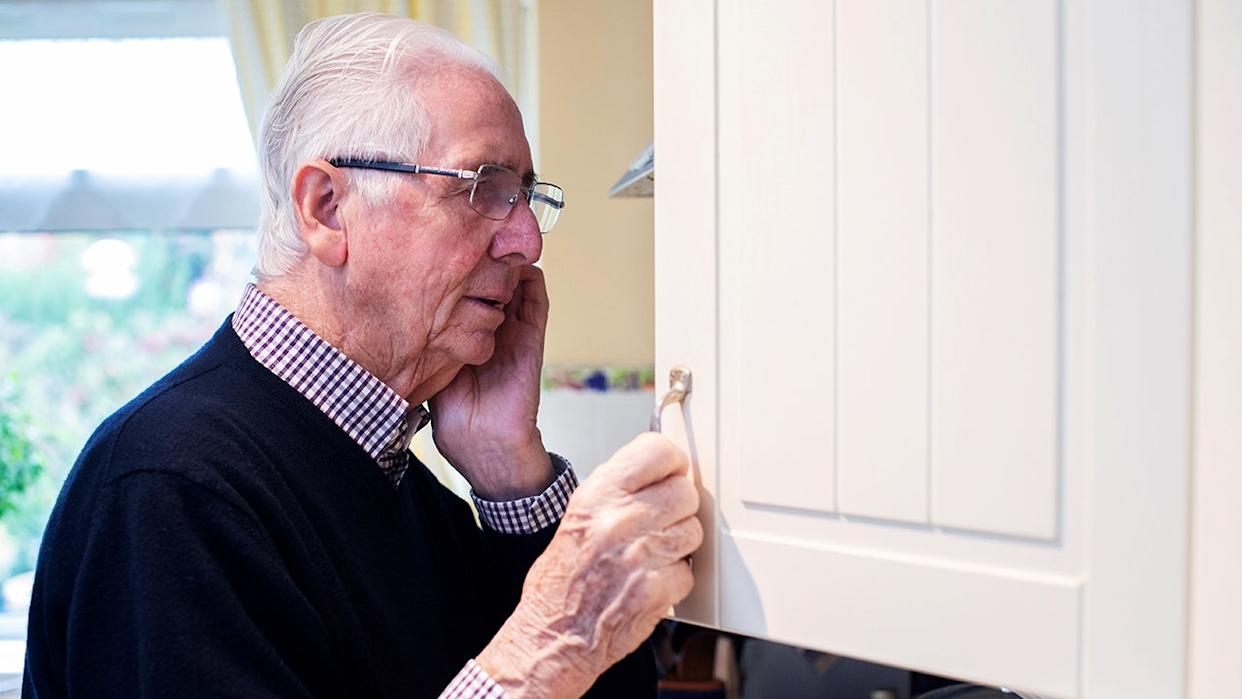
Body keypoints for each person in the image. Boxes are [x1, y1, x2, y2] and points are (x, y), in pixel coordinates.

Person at [22, 13, 701, 699]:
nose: (527, 240)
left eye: (525, 196)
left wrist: (509, 469)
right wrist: (546, 646)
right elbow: (546, 665)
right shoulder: (172, 487)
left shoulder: (402, 490)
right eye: (483, 187)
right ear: (326, 208)